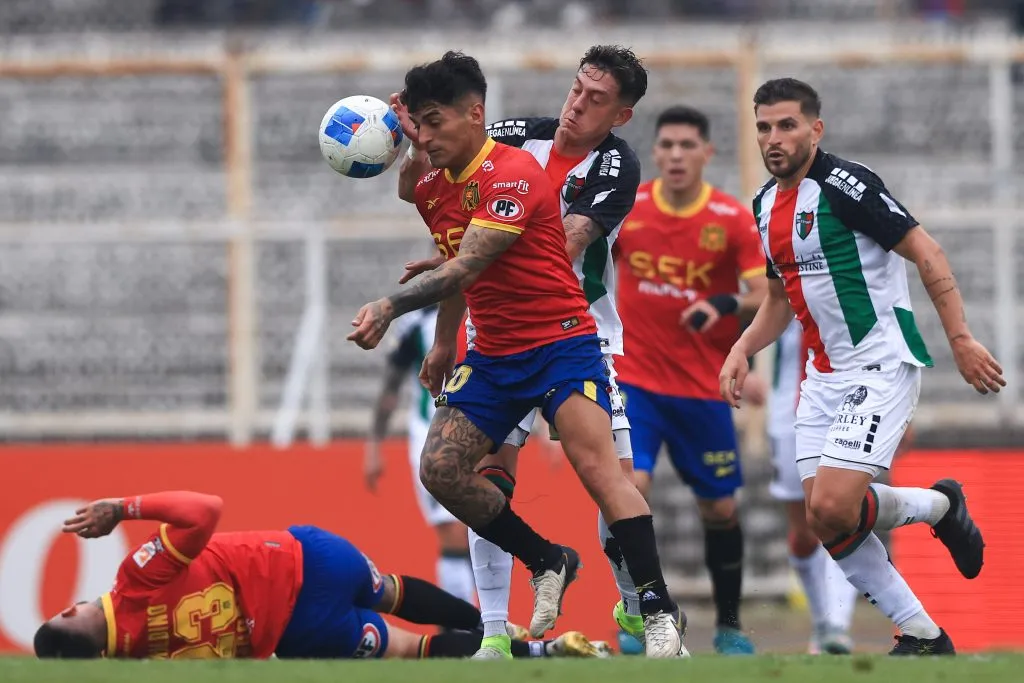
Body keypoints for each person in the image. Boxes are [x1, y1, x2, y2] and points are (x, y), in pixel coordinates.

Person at [346, 51, 687, 659]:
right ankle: (502, 625)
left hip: (570, 336)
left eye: (596, 98)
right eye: (576, 88)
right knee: (459, 474)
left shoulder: (605, 167)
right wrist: (448, 331)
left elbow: (548, 241)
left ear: (621, 114)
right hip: (494, 343)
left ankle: (649, 612)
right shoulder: (498, 140)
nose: (577, 103)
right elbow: (452, 237)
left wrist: (406, 296)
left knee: (613, 477)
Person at [719, 77, 1002, 656]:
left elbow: (927, 251)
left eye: (787, 125)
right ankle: (923, 633)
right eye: (764, 127)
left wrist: (962, 338)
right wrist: (742, 349)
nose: (774, 139)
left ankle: (938, 507)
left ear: (815, 130)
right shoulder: (764, 205)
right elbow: (778, 301)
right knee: (825, 521)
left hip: (879, 364)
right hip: (821, 378)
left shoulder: (847, 185)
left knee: (831, 506)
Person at [33, 490, 607, 660]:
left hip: (301, 631)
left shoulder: (143, 666)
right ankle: (500, 632)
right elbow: (206, 508)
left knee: (409, 651)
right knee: (391, 591)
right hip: (308, 555)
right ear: (67, 612)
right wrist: (123, 509)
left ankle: (546, 655)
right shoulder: (133, 583)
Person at [612, 105, 767, 655]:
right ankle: (641, 614)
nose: (676, 155)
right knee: (629, 490)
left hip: (701, 389)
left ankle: (728, 623)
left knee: (720, 510)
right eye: (667, 145)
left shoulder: (730, 219)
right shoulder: (628, 210)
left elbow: (762, 293)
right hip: (634, 383)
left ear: (707, 153)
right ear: (655, 153)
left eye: (687, 145)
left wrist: (721, 302)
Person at [365, 304, 477, 608]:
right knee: (453, 532)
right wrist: (374, 445)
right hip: (434, 439)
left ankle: (482, 624)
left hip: (483, 434)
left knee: (480, 534)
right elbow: (391, 386)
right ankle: (462, 626)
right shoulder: (417, 322)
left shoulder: (488, 305)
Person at [768, 319, 859, 654]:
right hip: (786, 419)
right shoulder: (784, 275)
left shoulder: (848, 279)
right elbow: (760, 306)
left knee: (841, 518)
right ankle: (823, 621)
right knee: (805, 533)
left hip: (848, 412)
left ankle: (837, 625)